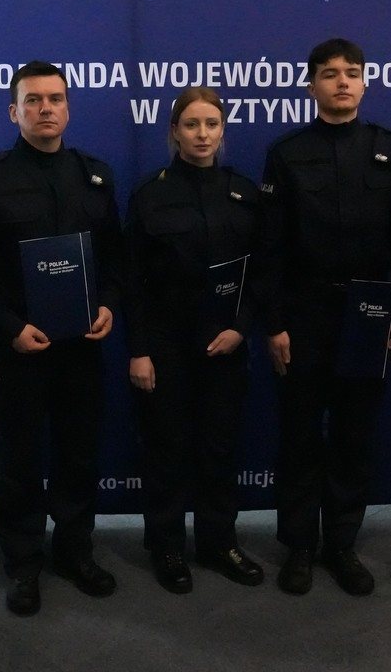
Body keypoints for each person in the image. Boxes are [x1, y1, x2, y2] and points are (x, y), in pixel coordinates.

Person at [0, 60, 123, 616]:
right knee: (18, 463)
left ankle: (75, 553)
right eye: (33, 100)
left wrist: (108, 305)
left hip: (82, 347)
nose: (45, 108)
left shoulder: (96, 176)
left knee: (79, 457)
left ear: (68, 109)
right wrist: (11, 327)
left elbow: (116, 259)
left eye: (55, 99)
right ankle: (23, 563)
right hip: (19, 347)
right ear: (14, 111)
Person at [257, 38, 391, 597]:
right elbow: (270, 247)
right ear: (312, 86)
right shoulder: (287, 152)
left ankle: (342, 545)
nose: (342, 81)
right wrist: (273, 323)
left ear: (365, 82)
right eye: (330, 74)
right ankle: (300, 546)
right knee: (300, 435)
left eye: (352, 72)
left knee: (355, 434)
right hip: (304, 313)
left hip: (370, 314)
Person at [124, 87, 264, 594]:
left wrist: (241, 328)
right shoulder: (149, 194)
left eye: (211, 124)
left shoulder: (244, 193)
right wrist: (139, 350)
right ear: (174, 132)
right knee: (166, 451)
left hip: (225, 344)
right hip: (165, 346)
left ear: (223, 130)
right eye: (191, 124)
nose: (202, 134)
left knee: (219, 449)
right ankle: (166, 546)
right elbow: (131, 280)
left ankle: (218, 542)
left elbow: (261, 272)